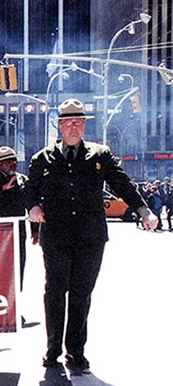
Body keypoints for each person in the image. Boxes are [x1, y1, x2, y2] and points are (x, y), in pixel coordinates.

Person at [25, 99, 158, 371]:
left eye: (79, 122)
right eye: (68, 122)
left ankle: (75, 350)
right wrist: (33, 207)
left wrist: (144, 211)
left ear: (84, 125)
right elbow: (30, 189)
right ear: (60, 125)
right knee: (54, 291)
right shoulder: (43, 158)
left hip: (90, 238)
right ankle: (53, 348)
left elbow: (122, 183)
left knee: (81, 294)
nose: (74, 127)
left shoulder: (100, 155)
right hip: (57, 237)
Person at [0, 146, 33, 288]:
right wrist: (3, 188)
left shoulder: (23, 180)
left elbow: (30, 204)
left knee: (18, 262)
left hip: (18, 230)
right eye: (9, 161)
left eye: (14, 160)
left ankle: (17, 293)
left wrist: (35, 230)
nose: (13, 163)